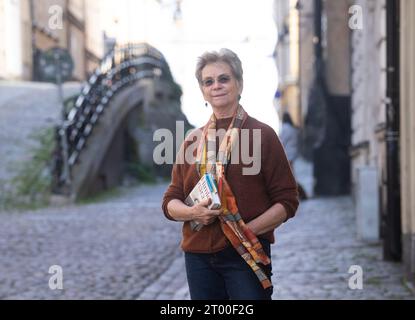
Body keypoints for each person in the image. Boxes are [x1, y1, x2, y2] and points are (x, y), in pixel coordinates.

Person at [162, 48, 299, 300]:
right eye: (208, 81)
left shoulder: (263, 135)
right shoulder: (192, 140)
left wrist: (245, 232)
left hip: (246, 254)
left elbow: (287, 201)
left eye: (224, 79)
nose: (216, 86)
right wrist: (192, 213)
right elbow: (171, 200)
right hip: (198, 257)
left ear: (239, 83)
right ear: (203, 91)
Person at [279, 112, 308, 200]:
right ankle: (298, 193)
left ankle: (298, 193)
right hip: (293, 153)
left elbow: (280, 141)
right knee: (291, 174)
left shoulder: (285, 128)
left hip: (287, 154)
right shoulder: (293, 128)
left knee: (289, 175)